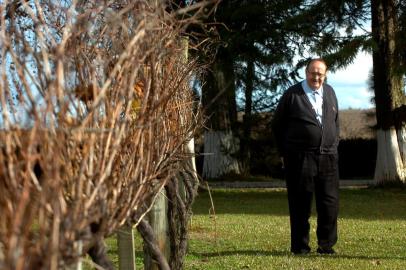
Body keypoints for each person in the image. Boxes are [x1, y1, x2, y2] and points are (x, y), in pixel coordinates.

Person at [272, 58, 339, 255]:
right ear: (306, 72)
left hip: (328, 158)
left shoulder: (330, 92)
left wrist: (334, 146)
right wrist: (284, 153)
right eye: (313, 72)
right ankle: (300, 247)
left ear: (325, 75)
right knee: (300, 204)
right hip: (300, 159)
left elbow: (336, 123)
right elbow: (277, 126)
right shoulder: (293, 94)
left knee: (329, 204)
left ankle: (326, 246)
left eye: (320, 73)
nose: (316, 77)